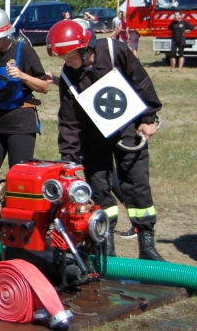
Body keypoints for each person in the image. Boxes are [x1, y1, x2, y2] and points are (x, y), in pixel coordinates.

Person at [47, 19, 165, 260]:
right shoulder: (69, 75)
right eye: (62, 58)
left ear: (84, 48)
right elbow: (69, 120)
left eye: (69, 56)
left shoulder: (115, 51)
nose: (66, 62)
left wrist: (148, 118)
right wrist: (68, 158)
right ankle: (105, 244)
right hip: (93, 138)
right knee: (99, 188)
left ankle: (147, 245)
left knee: (137, 184)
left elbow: (141, 82)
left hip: (128, 131)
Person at [0, 7, 49, 221]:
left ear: (6, 33)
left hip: (21, 122)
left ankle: (17, 223)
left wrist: (22, 75)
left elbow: (44, 87)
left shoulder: (24, 50)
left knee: (18, 179)